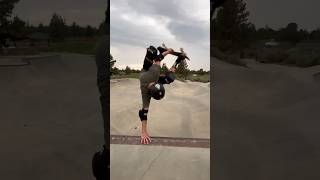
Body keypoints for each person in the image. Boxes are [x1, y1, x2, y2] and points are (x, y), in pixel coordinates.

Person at [139, 45, 188, 144]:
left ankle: (170, 56)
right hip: (147, 72)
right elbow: (143, 114)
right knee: (153, 52)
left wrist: (170, 54)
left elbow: (159, 58)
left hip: (150, 73)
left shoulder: (155, 73)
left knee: (169, 77)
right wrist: (143, 132)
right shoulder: (146, 94)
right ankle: (171, 57)